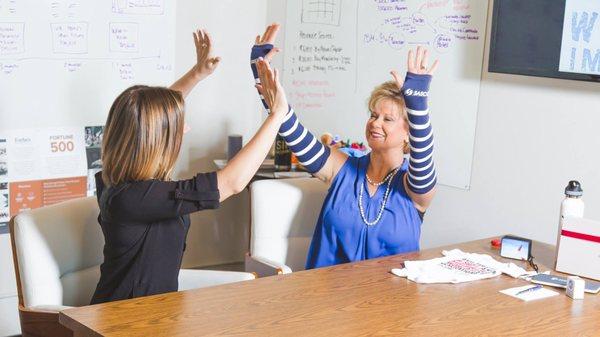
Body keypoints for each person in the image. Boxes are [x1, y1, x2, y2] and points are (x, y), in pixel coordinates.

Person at [91, 28, 288, 304]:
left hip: (156, 316)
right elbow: (231, 182)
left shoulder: (116, 183)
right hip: (123, 324)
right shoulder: (133, 198)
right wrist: (277, 115)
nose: (186, 129)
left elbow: (142, 119)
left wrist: (198, 73)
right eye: (177, 127)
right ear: (155, 139)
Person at [251, 24, 438, 269]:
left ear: (408, 133)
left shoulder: (413, 188)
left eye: (387, 119)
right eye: (373, 115)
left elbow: (424, 154)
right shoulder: (343, 168)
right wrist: (259, 71)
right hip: (329, 298)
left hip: (391, 303)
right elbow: (294, 133)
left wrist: (417, 106)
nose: (375, 123)